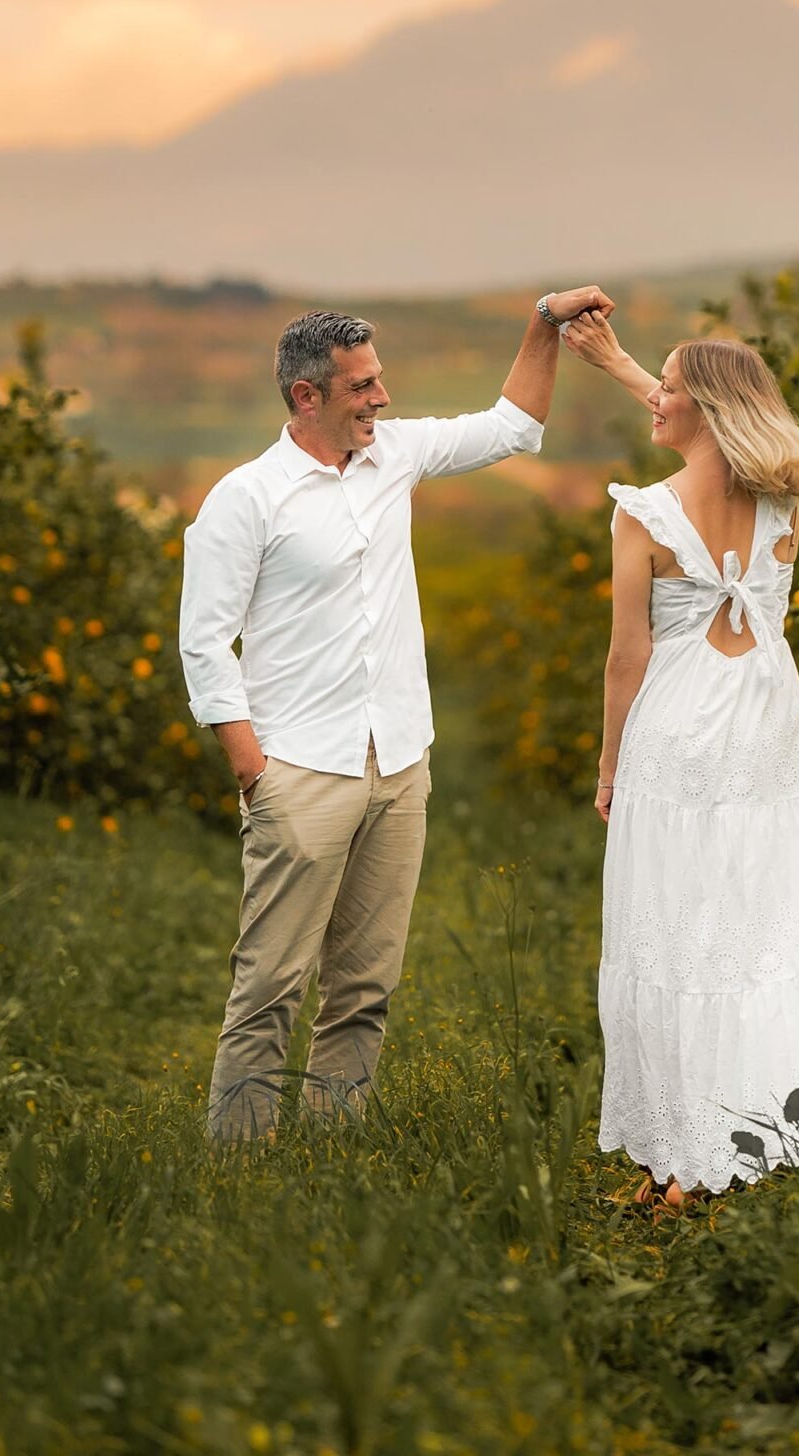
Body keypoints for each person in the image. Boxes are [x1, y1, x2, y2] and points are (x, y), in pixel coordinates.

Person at [180, 289, 613, 1141]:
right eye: (361, 387)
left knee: (365, 985)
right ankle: (237, 1170)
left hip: (399, 763)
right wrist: (253, 769)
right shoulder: (247, 498)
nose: (381, 398)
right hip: (299, 770)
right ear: (307, 397)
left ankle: (332, 1151)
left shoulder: (398, 456)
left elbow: (513, 424)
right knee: (270, 984)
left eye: (380, 381)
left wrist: (543, 322)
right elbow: (204, 644)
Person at [561, 312, 799, 1208]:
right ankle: (752, 1135)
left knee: (672, 935)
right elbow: (712, 430)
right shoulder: (785, 503)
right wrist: (620, 364)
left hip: (677, 732)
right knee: (759, 928)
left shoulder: (641, 515)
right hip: (765, 733)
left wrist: (609, 768)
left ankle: (676, 1165)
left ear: (702, 403)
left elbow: (628, 656)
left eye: (667, 387)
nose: (654, 398)